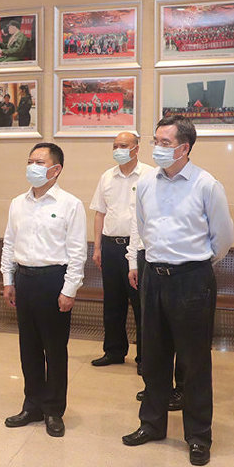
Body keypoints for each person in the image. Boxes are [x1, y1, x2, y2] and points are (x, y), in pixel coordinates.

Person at [123, 115, 234, 465]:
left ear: (184, 148)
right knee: (153, 357)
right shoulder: (145, 183)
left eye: (165, 143)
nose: (157, 148)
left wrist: (194, 265)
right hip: (154, 275)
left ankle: (198, 436)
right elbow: (143, 227)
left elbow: (222, 238)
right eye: (155, 141)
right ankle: (152, 424)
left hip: (191, 279)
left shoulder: (206, 184)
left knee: (194, 361)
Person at [1, 142, 86, 437]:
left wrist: (69, 289)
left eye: (39, 162)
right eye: (30, 161)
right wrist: (8, 280)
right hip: (24, 279)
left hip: (53, 281)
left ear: (56, 169)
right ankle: (32, 404)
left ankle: (53, 410)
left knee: (55, 349)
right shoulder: (17, 203)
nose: (32, 167)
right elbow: (9, 243)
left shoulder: (70, 204)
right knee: (29, 348)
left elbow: (77, 252)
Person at [89, 131, 152, 368]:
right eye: (115, 146)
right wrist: (97, 247)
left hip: (139, 248)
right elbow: (100, 213)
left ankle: (145, 357)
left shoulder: (149, 175)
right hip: (110, 247)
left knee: (141, 305)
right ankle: (114, 351)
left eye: (124, 146)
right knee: (112, 303)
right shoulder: (107, 176)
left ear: (136, 148)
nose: (118, 150)